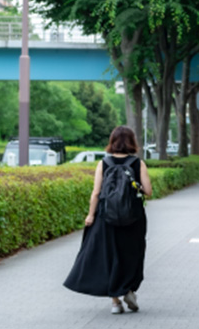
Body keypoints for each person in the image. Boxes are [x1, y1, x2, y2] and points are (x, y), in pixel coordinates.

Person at [63, 126, 153, 315]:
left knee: (111, 256)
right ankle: (128, 289)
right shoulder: (138, 163)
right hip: (134, 217)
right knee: (132, 253)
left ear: (112, 141)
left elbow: (96, 192)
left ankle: (115, 302)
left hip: (107, 217)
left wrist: (90, 215)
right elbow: (149, 192)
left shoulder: (104, 163)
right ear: (132, 141)